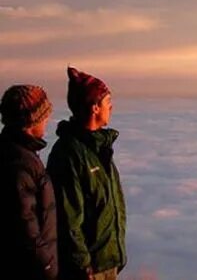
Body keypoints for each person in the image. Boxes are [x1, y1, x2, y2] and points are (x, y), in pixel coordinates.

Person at [47, 67, 126, 280]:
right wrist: (82, 266)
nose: (112, 107)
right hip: (89, 270)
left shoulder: (99, 149)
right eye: (108, 102)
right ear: (94, 108)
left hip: (106, 263)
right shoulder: (69, 154)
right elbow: (68, 217)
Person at [0, 84, 58, 280]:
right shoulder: (21, 164)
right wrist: (48, 266)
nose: (48, 120)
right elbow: (25, 224)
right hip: (30, 271)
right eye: (44, 115)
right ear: (32, 120)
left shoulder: (19, 153)